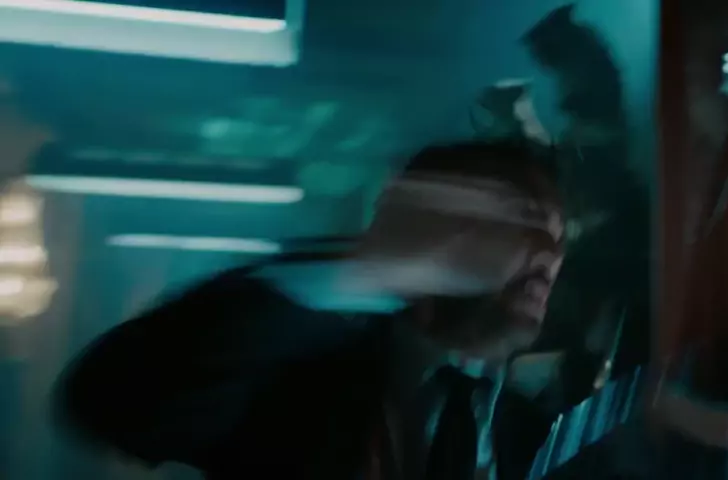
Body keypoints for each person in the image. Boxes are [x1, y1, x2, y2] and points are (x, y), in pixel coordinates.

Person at [54, 140, 566, 479]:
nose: (549, 259)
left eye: (560, 240)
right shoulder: (299, 374)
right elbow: (111, 403)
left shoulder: (538, 425)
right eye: (525, 226)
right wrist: (379, 269)